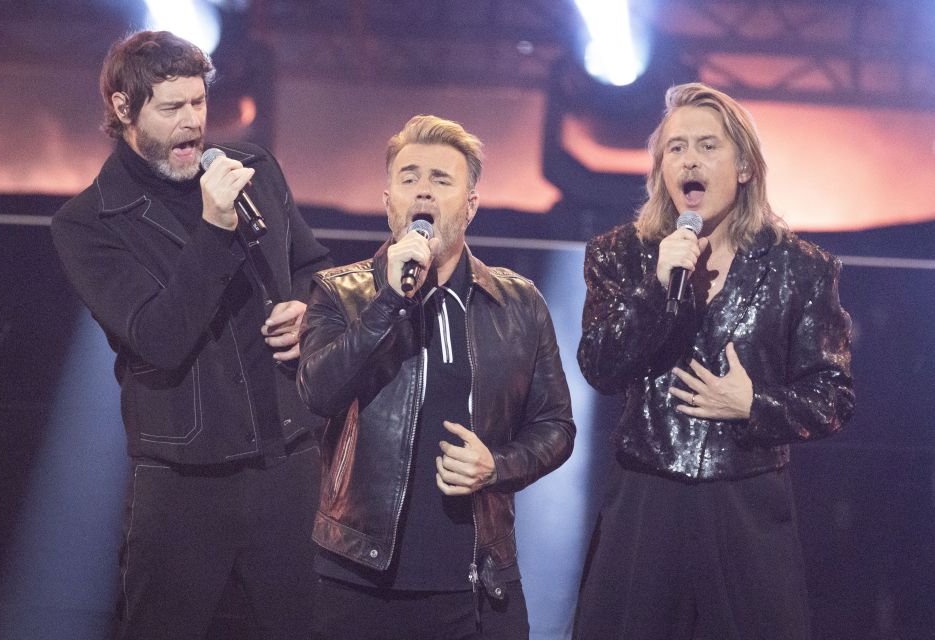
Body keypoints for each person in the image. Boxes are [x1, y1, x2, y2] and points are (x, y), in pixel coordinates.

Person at [50, 31, 331, 640]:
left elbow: (310, 265)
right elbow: (159, 337)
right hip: (183, 479)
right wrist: (212, 228)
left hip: (287, 456)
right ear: (124, 109)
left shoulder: (253, 169)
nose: (192, 123)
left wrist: (306, 307)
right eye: (171, 108)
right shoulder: (90, 223)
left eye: (198, 104)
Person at [574, 83, 855, 640]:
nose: (689, 160)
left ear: (745, 166)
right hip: (645, 500)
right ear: (660, 169)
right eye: (675, 148)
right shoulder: (620, 255)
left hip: (745, 500)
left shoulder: (801, 270)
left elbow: (833, 395)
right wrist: (655, 289)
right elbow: (600, 368)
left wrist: (754, 404)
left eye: (707, 146)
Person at [296, 115, 576, 639]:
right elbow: (319, 390)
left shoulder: (518, 303)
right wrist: (389, 302)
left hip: (476, 580)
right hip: (358, 580)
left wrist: (497, 465)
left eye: (441, 180)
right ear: (388, 201)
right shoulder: (340, 293)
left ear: (470, 205)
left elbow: (556, 426)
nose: (423, 189)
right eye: (409, 178)